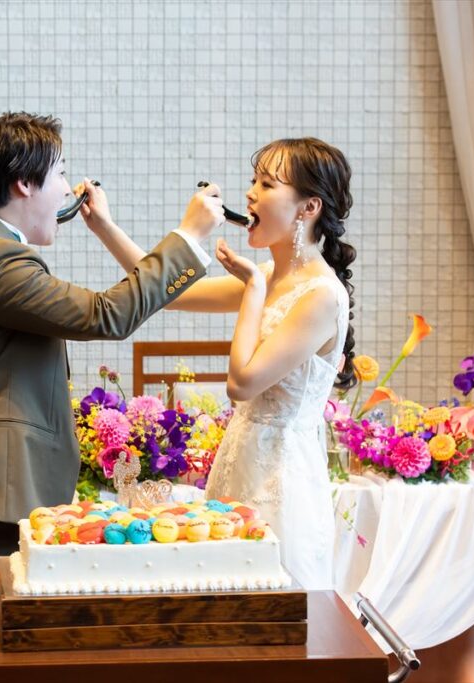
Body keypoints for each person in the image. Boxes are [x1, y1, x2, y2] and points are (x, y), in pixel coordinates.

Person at [0, 112, 223, 683]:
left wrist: (108, 228)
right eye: (59, 175)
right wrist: (189, 238)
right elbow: (107, 315)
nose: (67, 190)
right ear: (24, 183)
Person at [87, 137, 357, 589]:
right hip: (238, 461)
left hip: (281, 484)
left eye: (267, 184)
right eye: (254, 181)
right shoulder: (269, 275)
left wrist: (252, 289)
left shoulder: (321, 295)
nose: (250, 193)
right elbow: (171, 294)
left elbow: (242, 383)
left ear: (309, 207)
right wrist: (105, 227)